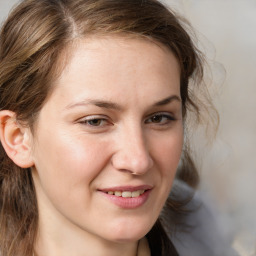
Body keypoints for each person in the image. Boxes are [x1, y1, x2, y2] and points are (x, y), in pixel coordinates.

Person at [0, 0, 236, 256]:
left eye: (158, 118)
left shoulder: (204, 232)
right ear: (18, 138)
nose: (138, 161)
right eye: (95, 121)